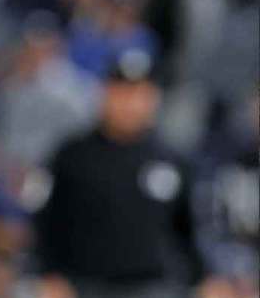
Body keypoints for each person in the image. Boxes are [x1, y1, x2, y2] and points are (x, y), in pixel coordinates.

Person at [33, 50, 207, 298]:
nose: (131, 103)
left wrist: (205, 277)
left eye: (140, 93)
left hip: (152, 286)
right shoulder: (71, 156)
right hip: (83, 285)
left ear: (154, 98)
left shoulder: (171, 160)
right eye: (122, 92)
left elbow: (188, 232)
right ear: (105, 93)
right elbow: (44, 222)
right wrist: (48, 274)